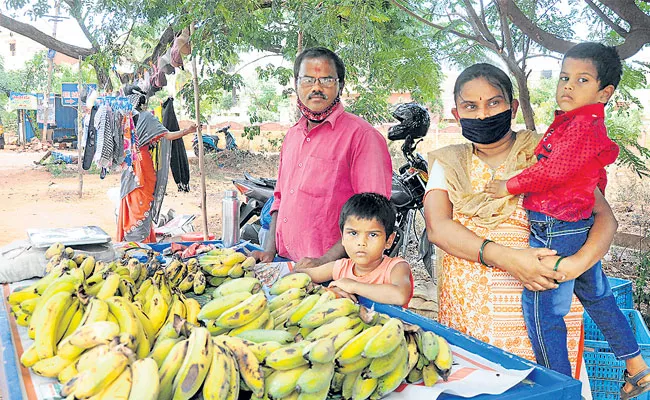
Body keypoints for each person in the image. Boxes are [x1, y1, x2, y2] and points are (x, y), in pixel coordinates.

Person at [423, 63, 618, 381]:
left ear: (512, 107)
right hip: (470, 326)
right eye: (471, 106)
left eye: (494, 102)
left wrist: (575, 265)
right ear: (457, 114)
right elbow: (438, 228)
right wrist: (510, 259)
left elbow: (604, 217)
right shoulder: (448, 163)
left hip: (544, 323)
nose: (483, 114)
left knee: (548, 387)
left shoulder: (550, 153)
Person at [485, 43, 650, 397]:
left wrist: (508, 186)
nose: (567, 86)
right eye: (564, 77)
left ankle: (559, 389)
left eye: (582, 79)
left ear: (605, 93)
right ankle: (636, 365)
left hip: (555, 227)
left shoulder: (582, 128)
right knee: (598, 297)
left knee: (543, 311)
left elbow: (554, 170)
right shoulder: (578, 124)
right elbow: (591, 176)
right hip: (574, 223)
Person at [252, 47, 392, 268]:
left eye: (326, 80)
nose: (316, 88)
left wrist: (324, 261)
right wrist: (269, 250)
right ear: (296, 84)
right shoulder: (292, 136)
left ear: (341, 85)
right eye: (308, 79)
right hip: (286, 264)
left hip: (333, 273)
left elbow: (373, 216)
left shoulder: (363, 137)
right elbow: (279, 199)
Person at [296, 193, 413, 307]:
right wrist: (328, 291)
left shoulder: (396, 267)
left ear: (389, 240)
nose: (361, 242)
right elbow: (295, 275)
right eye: (353, 233)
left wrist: (353, 286)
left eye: (372, 235)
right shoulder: (339, 268)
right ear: (342, 237)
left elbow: (400, 296)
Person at [117, 85, 197, 243]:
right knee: (138, 203)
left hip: (134, 166)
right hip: (138, 166)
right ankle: (139, 242)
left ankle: (137, 242)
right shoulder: (135, 118)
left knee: (137, 204)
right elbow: (167, 135)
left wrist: (187, 131)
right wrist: (186, 132)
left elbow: (165, 135)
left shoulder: (130, 118)